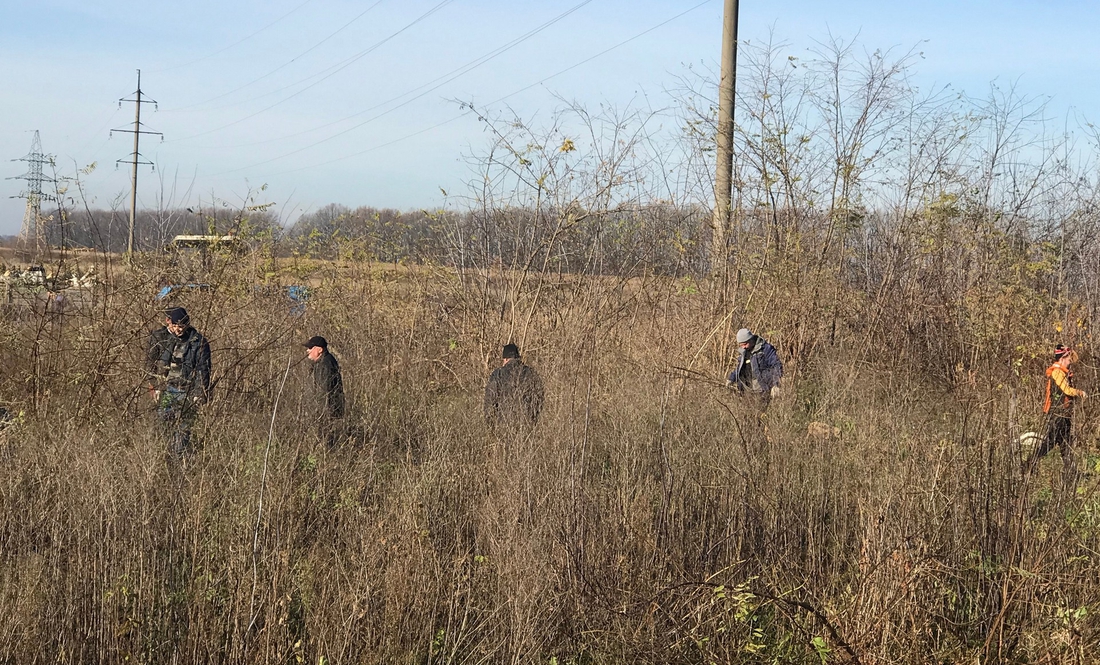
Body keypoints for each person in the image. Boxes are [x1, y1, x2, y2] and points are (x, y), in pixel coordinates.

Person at [146, 307, 211, 458]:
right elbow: (155, 364)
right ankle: (165, 456)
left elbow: (204, 369)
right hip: (167, 390)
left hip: (187, 392)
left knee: (183, 429)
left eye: (181, 326)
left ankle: (179, 459)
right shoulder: (166, 339)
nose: (178, 329)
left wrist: (198, 393)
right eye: (175, 326)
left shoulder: (198, 343)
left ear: (187, 324)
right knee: (163, 424)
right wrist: (155, 387)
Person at [1026, 344, 1086, 486]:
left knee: (1066, 444)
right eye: (1069, 358)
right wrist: (1079, 392)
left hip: (1063, 414)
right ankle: (1029, 464)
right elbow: (1066, 390)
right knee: (1050, 443)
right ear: (1063, 357)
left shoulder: (1063, 372)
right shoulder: (1057, 372)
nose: (1070, 361)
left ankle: (1071, 474)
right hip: (1057, 414)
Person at [484, 343, 544, 430]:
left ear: (505, 359)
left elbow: (490, 402)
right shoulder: (531, 373)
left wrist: (490, 426)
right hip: (527, 426)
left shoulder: (498, 374)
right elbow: (539, 398)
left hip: (503, 427)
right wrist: (533, 419)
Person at [727, 328, 783, 410]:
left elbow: (777, 366)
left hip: (762, 390)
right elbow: (740, 368)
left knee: (760, 415)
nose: (743, 347)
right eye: (741, 345)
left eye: (745, 344)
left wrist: (776, 384)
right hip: (746, 391)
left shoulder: (766, 349)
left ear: (751, 339)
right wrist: (731, 379)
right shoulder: (744, 352)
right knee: (747, 416)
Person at [303, 336, 345, 447]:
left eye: (311, 347)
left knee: (325, 443)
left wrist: (319, 414)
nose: (308, 350)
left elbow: (324, 391)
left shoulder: (325, 365)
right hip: (326, 411)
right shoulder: (323, 362)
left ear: (320, 350)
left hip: (326, 412)